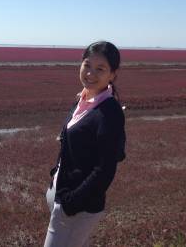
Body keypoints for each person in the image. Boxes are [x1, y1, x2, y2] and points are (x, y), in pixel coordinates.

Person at [43, 41, 126, 247]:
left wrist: (71, 203)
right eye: (87, 65)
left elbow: (105, 169)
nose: (90, 73)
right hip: (63, 197)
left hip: (78, 208)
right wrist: (56, 176)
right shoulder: (83, 99)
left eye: (100, 69)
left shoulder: (109, 112)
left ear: (112, 75)